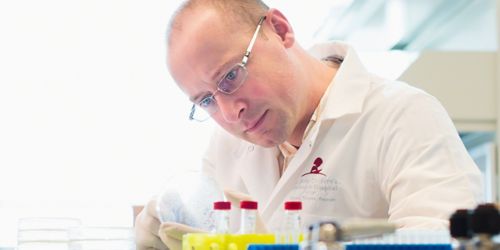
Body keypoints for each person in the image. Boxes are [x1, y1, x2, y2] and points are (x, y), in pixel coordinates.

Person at [135, 0, 483, 249]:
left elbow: (443, 242)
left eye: (231, 76)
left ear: (280, 30)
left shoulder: (405, 117)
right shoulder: (224, 147)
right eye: (206, 100)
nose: (229, 113)